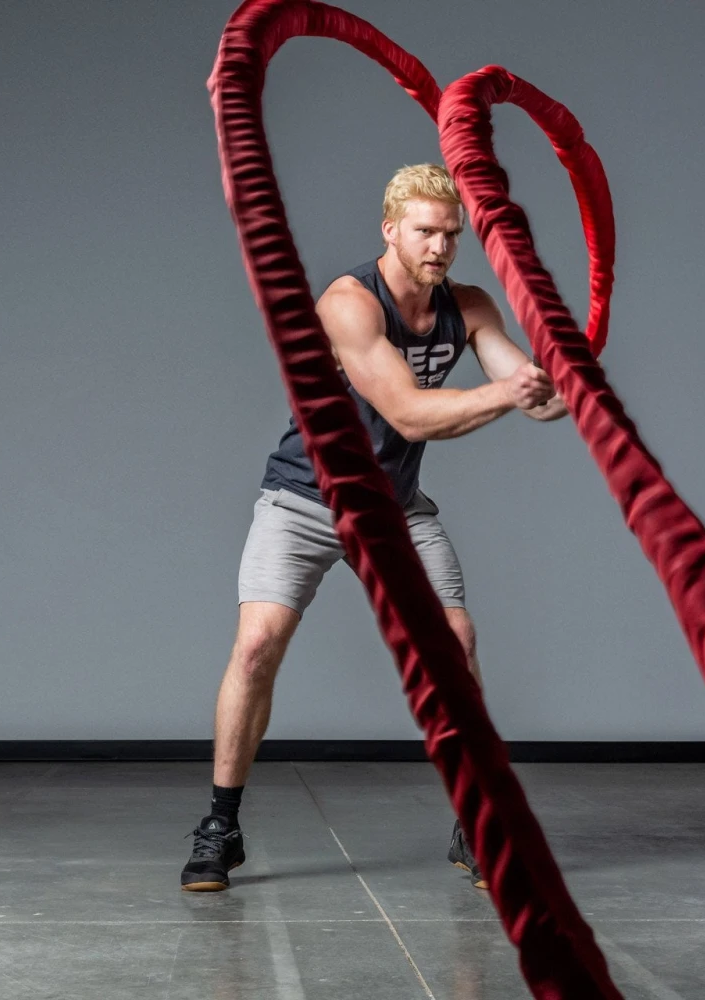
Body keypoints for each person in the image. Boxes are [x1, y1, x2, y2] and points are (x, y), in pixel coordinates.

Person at [181, 164, 568, 892]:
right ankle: (219, 828)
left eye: (451, 234)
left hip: (395, 507)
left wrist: (567, 377)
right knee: (256, 647)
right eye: (425, 231)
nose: (439, 247)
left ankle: (476, 822)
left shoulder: (471, 305)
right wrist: (508, 393)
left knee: (456, 644)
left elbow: (538, 398)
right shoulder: (348, 303)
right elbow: (410, 414)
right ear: (390, 229)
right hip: (306, 501)